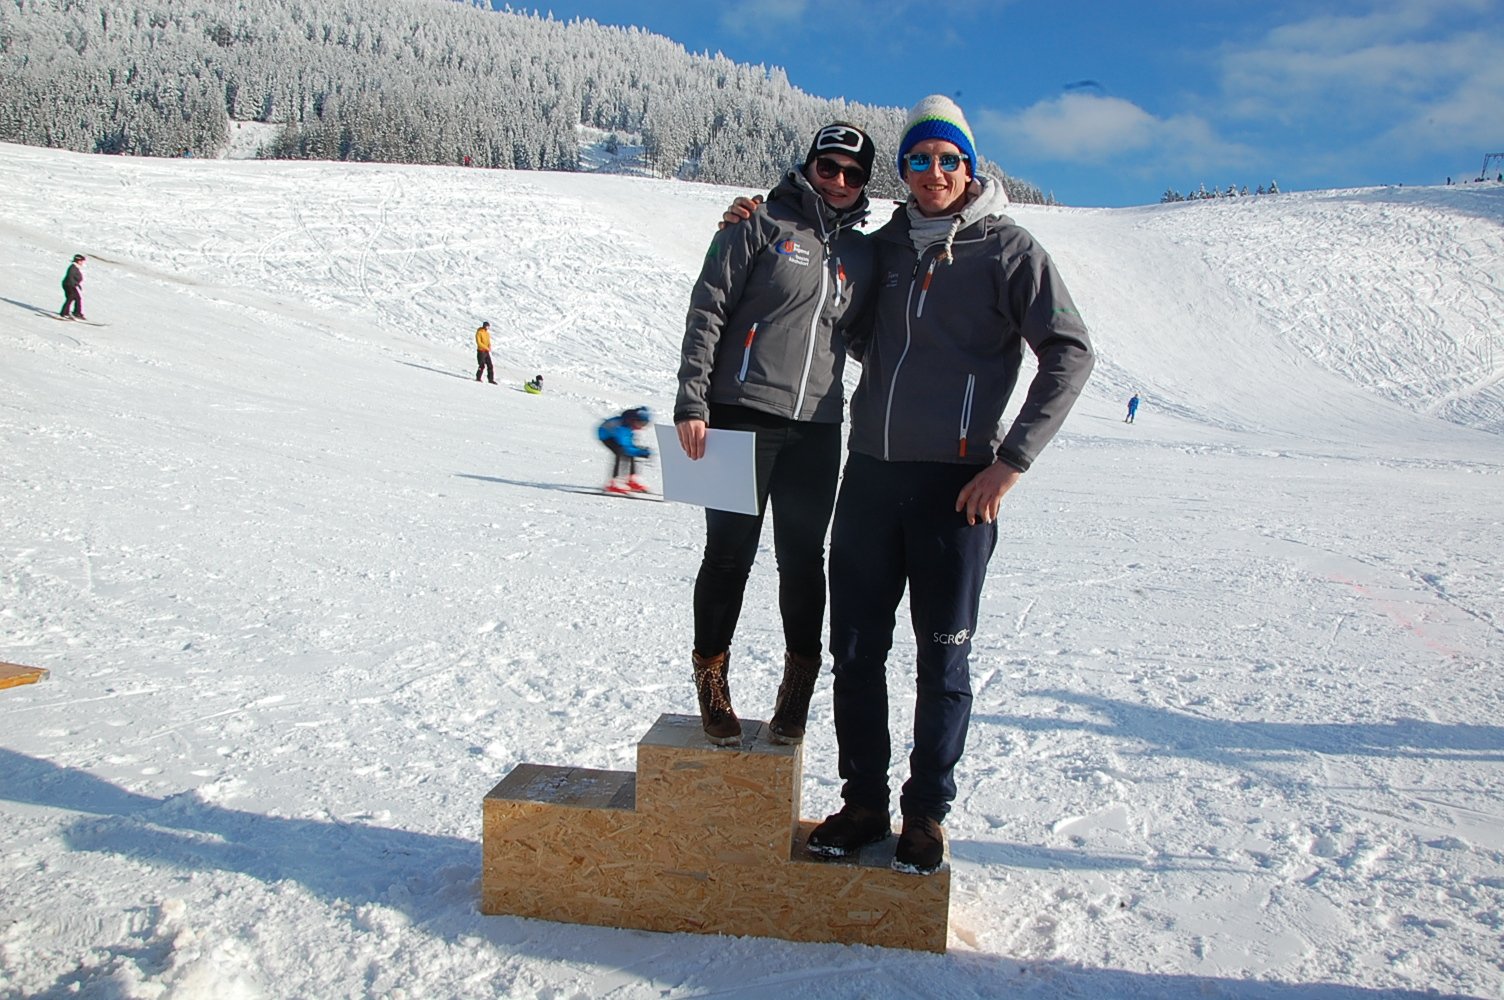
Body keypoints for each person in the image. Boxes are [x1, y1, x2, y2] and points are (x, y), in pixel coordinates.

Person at [722, 97, 1093, 873]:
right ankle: (863, 803)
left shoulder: (1008, 250)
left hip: (958, 489)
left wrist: (1011, 461)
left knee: (941, 660)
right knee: (856, 651)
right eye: (919, 160)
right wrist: (753, 220)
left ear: (970, 166)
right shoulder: (884, 246)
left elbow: (1069, 352)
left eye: (948, 159)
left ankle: (925, 814)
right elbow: (820, 275)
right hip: (869, 476)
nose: (934, 173)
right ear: (905, 170)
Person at [675, 122, 878, 748]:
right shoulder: (758, 223)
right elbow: (707, 308)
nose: (838, 180)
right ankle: (712, 686)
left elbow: (862, 336)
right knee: (726, 555)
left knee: (803, 559)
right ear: (809, 166)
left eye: (853, 173)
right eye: (829, 167)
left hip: (817, 426)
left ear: (865, 183)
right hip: (738, 412)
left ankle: (796, 693)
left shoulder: (863, 255)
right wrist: (691, 400)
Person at [597, 407, 653, 494]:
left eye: (645, 424)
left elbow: (629, 445)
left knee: (630, 454)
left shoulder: (629, 425)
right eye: (641, 423)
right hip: (607, 436)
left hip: (617, 435)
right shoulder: (622, 428)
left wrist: (639, 451)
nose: (642, 426)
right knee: (620, 453)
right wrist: (640, 452)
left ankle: (631, 479)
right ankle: (612, 483)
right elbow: (625, 447)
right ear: (633, 420)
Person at [60, 254, 85, 320]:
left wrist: (77, 284)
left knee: (77, 298)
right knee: (70, 297)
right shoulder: (73, 268)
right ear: (78, 261)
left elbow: (74, 278)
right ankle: (64, 313)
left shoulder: (76, 267)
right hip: (68, 285)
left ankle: (77, 313)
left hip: (71, 285)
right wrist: (74, 284)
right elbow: (70, 277)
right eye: (81, 261)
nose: (82, 262)